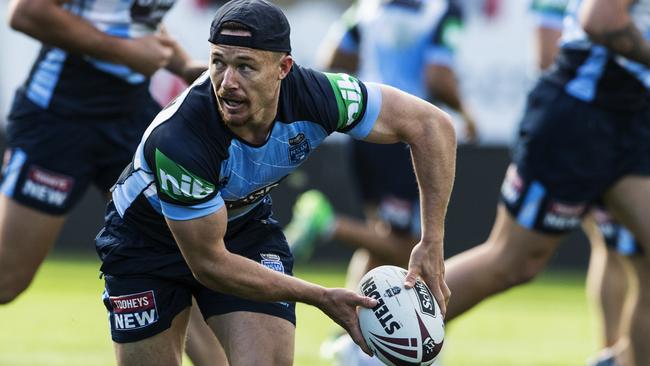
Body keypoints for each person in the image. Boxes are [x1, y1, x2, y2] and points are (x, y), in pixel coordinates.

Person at [95, 0, 457, 365]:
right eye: (218, 62)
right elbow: (210, 265)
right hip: (144, 246)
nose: (227, 83)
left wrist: (432, 242)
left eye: (245, 67)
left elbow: (432, 126)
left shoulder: (319, 96)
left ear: (283, 68)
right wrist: (322, 296)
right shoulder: (179, 142)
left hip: (242, 230)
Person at [1, 0, 226, 364]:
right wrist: (125, 52)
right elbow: (26, 11)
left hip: (130, 119)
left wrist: (183, 65)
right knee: (7, 279)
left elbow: (132, 20)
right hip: (58, 118)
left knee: (184, 258)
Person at [444, 0, 650, 365]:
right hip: (581, 114)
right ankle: (371, 344)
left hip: (633, 119)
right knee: (512, 261)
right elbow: (601, 20)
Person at [283, 1, 474, 364]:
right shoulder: (443, 10)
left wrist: (376, 72)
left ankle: (351, 339)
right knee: (405, 247)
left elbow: (333, 55)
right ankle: (329, 224)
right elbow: (439, 77)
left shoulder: (370, 7)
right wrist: (467, 112)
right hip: (407, 134)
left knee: (381, 240)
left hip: (367, 128)